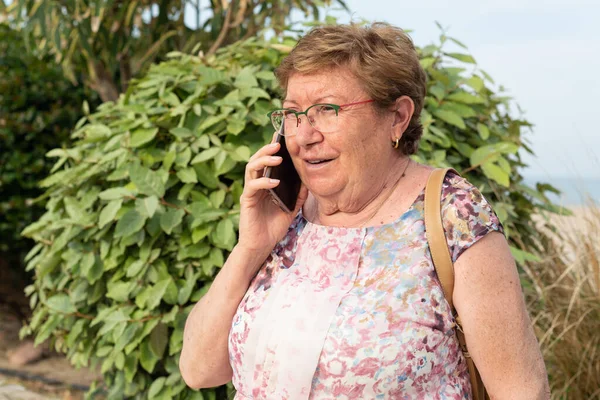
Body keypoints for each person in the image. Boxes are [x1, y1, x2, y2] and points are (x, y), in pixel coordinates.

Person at [179, 22, 550, 399]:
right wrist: (250, 248)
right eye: (293, 114)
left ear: (397, 117)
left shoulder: (452, 213)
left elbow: (522, 390)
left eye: (327, 110)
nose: (305, 136)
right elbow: (199, 370)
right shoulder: (286, 217)